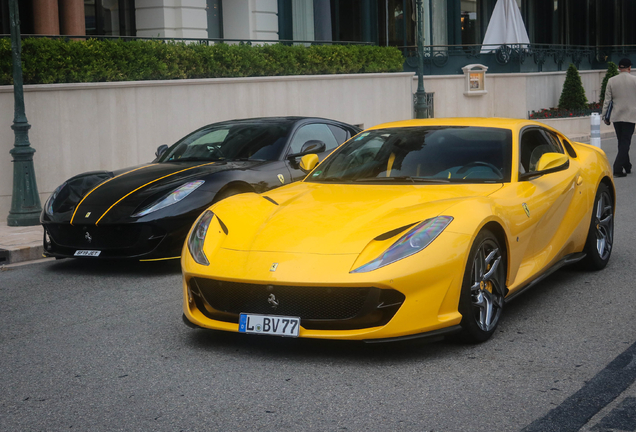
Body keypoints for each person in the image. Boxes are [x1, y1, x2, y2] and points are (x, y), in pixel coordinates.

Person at [601, 57, 636, 177]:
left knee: (621, 141)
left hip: (616, 115)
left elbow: (607, 100)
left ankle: (627, 165)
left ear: (619, 68)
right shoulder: (635, 80)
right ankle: (617, 168)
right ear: (630, 68)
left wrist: (604, 115)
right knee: (625, 142)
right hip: (630, 116)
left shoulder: (611, 81)